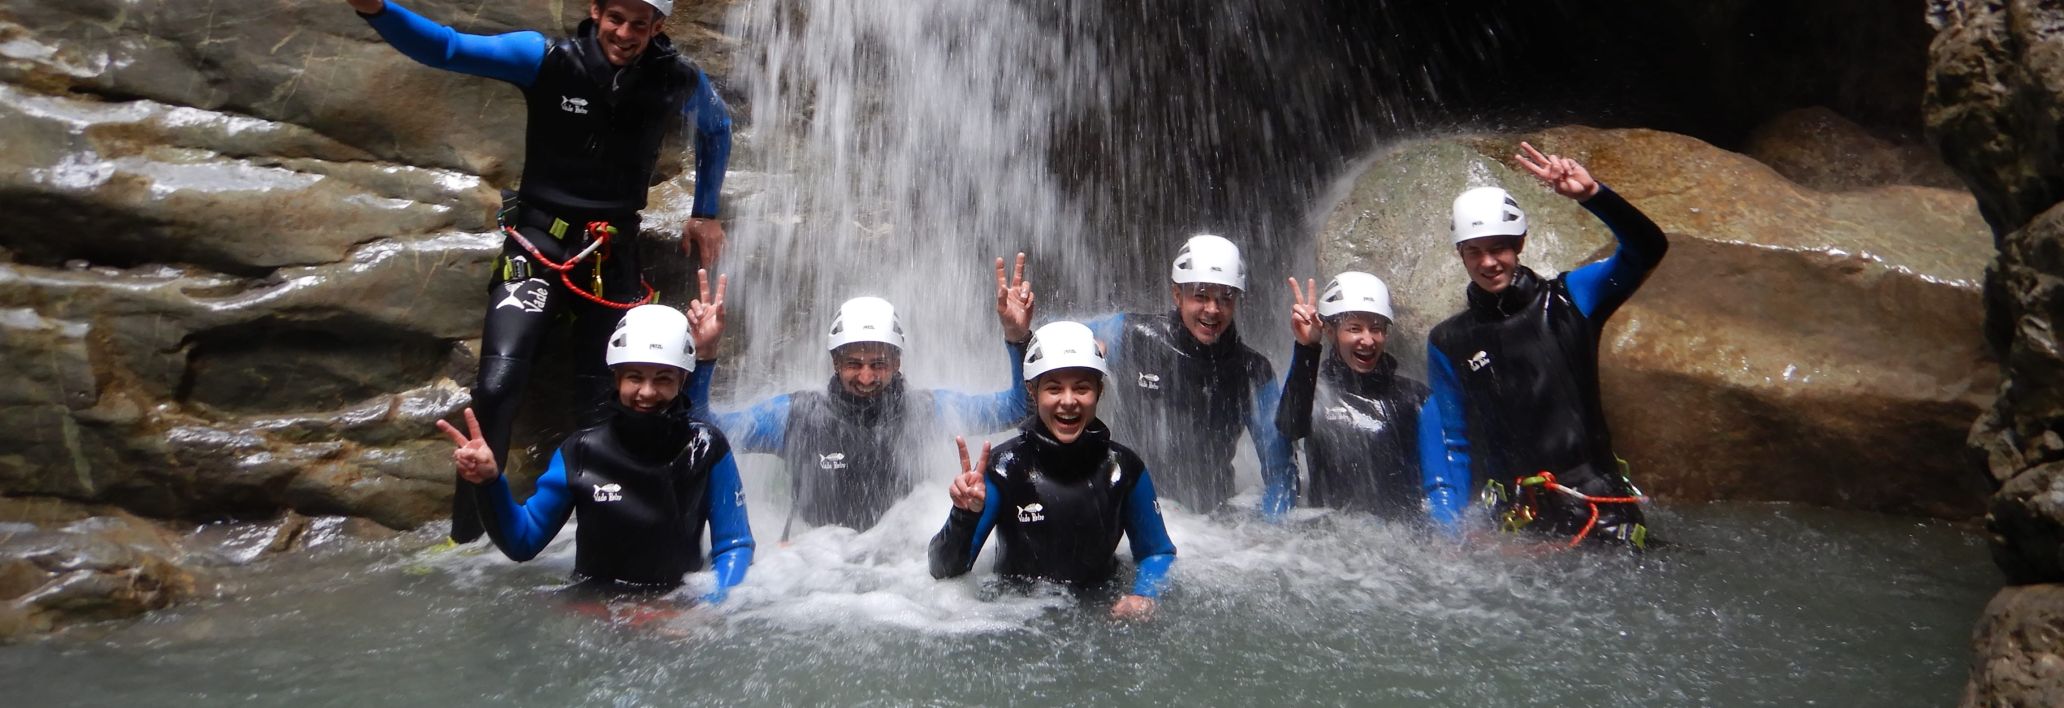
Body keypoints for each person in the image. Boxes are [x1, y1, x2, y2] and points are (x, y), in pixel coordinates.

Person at [346, 0, 735, 542]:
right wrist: (376, 9)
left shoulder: (675, 78)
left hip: (611, 250)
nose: (625, 33)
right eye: (616, 18)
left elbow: (717, 127)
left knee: (608, 399)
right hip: (537, 244)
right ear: (596, 10)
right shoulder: (547, 58)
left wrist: (705, 210)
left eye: (640, 24)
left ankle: (600, 536)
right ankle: (466, 536)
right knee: (497, 385)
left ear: (658, 26)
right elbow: (447, 48)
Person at [1420, 142, 1668, 548]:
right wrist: (1451, 533)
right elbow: (1453, 442)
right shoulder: (1448, 340)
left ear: (1520, 244)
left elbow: (1648, 249)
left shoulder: (1570, 299)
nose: (1488, 263)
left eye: (1498, 248)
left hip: (1598, 512)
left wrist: (1594, 195)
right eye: (1474, 252)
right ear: (1460, 254)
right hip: (1517, 522)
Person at [685, 256, 1038, 537]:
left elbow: (1017, 409)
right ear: (835, 362)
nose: (866, 377)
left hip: (900, 569)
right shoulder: (795, 416)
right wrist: (704, 356)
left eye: (878, 364)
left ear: (897, 362)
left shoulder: (927, 411)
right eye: (853, 364)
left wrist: (1018, 338)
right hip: (813, 567)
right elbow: (705, 430)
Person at [438, 304, 753, 602]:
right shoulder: (580, 451)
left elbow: (734, 545)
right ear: (617, 377)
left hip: (674, 611)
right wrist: (490, 483)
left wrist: (710, 603)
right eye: (635, 377)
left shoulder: (707, 446)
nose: (647, 391)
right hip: (595, 608)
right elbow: (522, 541)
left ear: (682, 380)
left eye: (663, 378)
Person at [928, 321, 1177, 621]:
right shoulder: (1004, 469)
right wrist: (963, 516)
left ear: (1099, 391)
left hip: (1101, 615)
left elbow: (1157, 552)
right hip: (1016, 620)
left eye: (1082, 388)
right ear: (1032, 392)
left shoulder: (1124, 469)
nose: (1068, 401)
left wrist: (1144, 594)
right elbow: (944, 570)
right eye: (1054, 389)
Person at [1083, 235, 1297, 518]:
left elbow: (1281, 473)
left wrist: (1270, 531)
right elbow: (1056, 343)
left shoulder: (1252, 370)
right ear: (1177, 295)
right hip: (1125, 511)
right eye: (1201, 296)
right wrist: (1078, 353)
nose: (1213, 309)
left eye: (1225, 298)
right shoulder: (1131, 335)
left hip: (1207, 523)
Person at [1276, 272, 1431, 519]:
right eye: (1354, 328)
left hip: (1401, 531)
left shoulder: (1414, 396)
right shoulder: (1314, 393)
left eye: (1377, 329)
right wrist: (1307, 349)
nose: (1367, 340)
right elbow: (1289, 428)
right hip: (1330, 534)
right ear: (1330, 331)